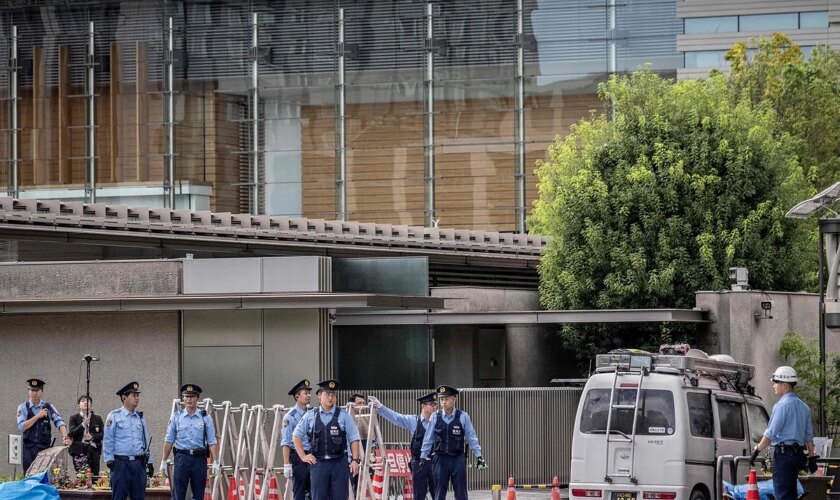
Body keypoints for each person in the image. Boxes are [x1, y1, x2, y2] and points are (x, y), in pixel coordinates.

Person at [750, 366, 817, 500]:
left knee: (783, 495)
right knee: (791, 494)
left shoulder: (781, 406)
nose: (774, 386)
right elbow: (809, 437)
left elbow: (771, 434)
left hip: (783, 455)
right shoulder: (804, 408)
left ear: (785, 385)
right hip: (798, 455)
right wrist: (811, 457)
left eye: (776, 382)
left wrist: (757, 450)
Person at [292, 379, 361, 500]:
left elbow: (354, 438)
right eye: (327, 394)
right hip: (318, 465)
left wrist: (355, 460)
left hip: (339, 464)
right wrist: (303, 456)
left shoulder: (344, 415)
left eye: (333, 395)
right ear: (319, 396)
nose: (330, 398)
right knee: (318, 497)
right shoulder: (310, 415)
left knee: (340, 497)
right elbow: (296, 435)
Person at [418, 385, 486, 500]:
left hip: (457, 458)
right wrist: (423, 456)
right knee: (439, 492)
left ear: (454, 399)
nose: (443, 402)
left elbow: (471, 437)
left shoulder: (463, 417)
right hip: (440, 459)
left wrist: (479, 456)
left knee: (461, 492)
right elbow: (428, 438)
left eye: (447, 399)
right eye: (441, 399)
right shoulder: (435, 417)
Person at [368, 392, 438, 500]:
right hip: (419, 463)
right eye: (432, 405)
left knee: (438, 494)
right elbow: (396, 418)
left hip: (435, 463)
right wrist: (380, 407)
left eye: (435, 405)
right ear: (423, 405)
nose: (435, 407)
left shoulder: (439, 422)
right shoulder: (414, 421)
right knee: (419, 495)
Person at [160, 384, 220, 500]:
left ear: (197, 398)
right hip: (182, 458)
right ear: (183, 398)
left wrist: (216, 461)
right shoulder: (176, 417)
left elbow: (212, 441)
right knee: (178, 494)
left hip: (199, 459)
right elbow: (169, 439)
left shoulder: (205, 417)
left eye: (192, 397)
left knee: (198, 494)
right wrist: (163, 460)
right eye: (186, 396)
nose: (189, 399)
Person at [104, 381, 153, 500]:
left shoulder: (140, 417)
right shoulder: (114, 415)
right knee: (119, 497)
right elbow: (108, 439)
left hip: (138, 464)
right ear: (124, 397)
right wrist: (109, 459)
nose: (137, 398)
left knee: (139, 497)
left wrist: (150, 461)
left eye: (138, 395)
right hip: (121, 464)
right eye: (134, 395)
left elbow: (145, 440)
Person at [16, 378, 70, 473]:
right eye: (32, 390)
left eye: (37, 390)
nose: (34, 393)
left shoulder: (48, 406)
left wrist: (65, 436)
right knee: (29, 476)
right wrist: (37, 416)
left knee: (43, 476)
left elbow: (59, 422)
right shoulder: (23, 407)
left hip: (44, 449)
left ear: (42, 391)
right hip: (29, 448)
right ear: (28, 391)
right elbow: (21, 427)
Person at [282, 379, 312, 500]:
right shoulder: (290, 416)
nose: (309, 395)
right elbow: (286, 442)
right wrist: (286, 464)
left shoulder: (312, 412)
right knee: (300, 490)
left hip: (313, 455)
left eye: (309, 393)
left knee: (315, 489)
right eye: (305, 393)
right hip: (299, 457)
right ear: (297, 396)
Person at [67, 394, 105, 477]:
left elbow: (103, 434)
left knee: (95, 476)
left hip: (93, 449)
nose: (85, 402)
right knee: (81, 477)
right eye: (82, 401)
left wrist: (92, 436)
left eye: (88, 401)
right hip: (79, 450)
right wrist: (83, 424)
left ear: (91, 404)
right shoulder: (74, 418)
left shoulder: (97, 418)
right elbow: (71, 433)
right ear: (79, 405)